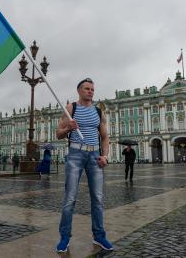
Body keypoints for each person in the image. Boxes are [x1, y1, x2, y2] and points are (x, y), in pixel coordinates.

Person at [55, 78, 113, 253]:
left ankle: (99, 235)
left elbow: (104, 137)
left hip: (94, 155)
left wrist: (104, 156)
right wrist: (68, 129)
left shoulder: (98, 111)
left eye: (92, 89)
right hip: (75, 154)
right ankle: (65, 236)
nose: (90, 91)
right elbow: (58, 133)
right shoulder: (71, 108)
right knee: (70, 198)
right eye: (87, 89)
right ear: (79, 91)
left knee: (97, 198)